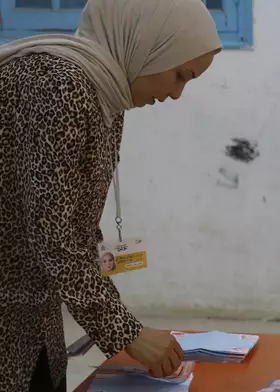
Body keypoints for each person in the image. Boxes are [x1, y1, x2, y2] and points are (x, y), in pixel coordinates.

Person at [0, 0, 222, 390]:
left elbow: (70, 224)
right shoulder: (62, 83)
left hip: (33, 312)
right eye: (179, 75)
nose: (176, 94)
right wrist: (126, 332)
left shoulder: (103, 88)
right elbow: (55, 237)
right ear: (149, 44)